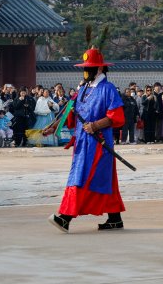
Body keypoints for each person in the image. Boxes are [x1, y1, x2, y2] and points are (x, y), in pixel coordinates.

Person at [49, 34, 126, 233]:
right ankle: (115, 218)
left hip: (98, 142)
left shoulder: (107, 89)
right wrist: (54, 125)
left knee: (83, 177)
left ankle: (65, 217)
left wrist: (95, 125)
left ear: (99, 68)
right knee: (103, 178)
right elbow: (71, 109)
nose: (85, 71)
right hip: (83, 141)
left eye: (88, 68)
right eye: (84, 68)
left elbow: (116, 116)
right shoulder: (83, 89)